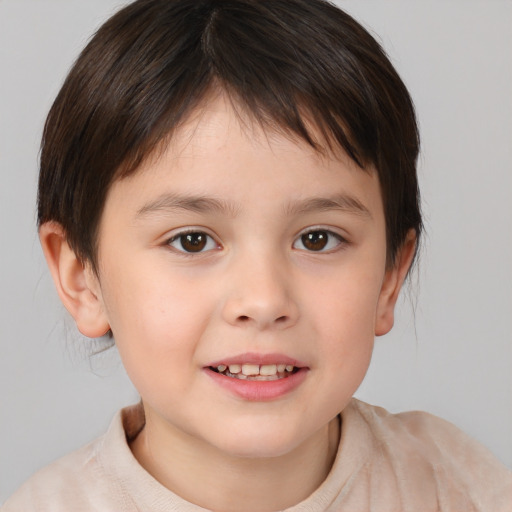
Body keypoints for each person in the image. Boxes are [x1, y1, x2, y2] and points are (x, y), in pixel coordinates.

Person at [2, 0, 511, 510]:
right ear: (81, 278)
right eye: (192, 240)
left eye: (317, 239)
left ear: (389, 277)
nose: (264, 300)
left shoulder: (458, 488)